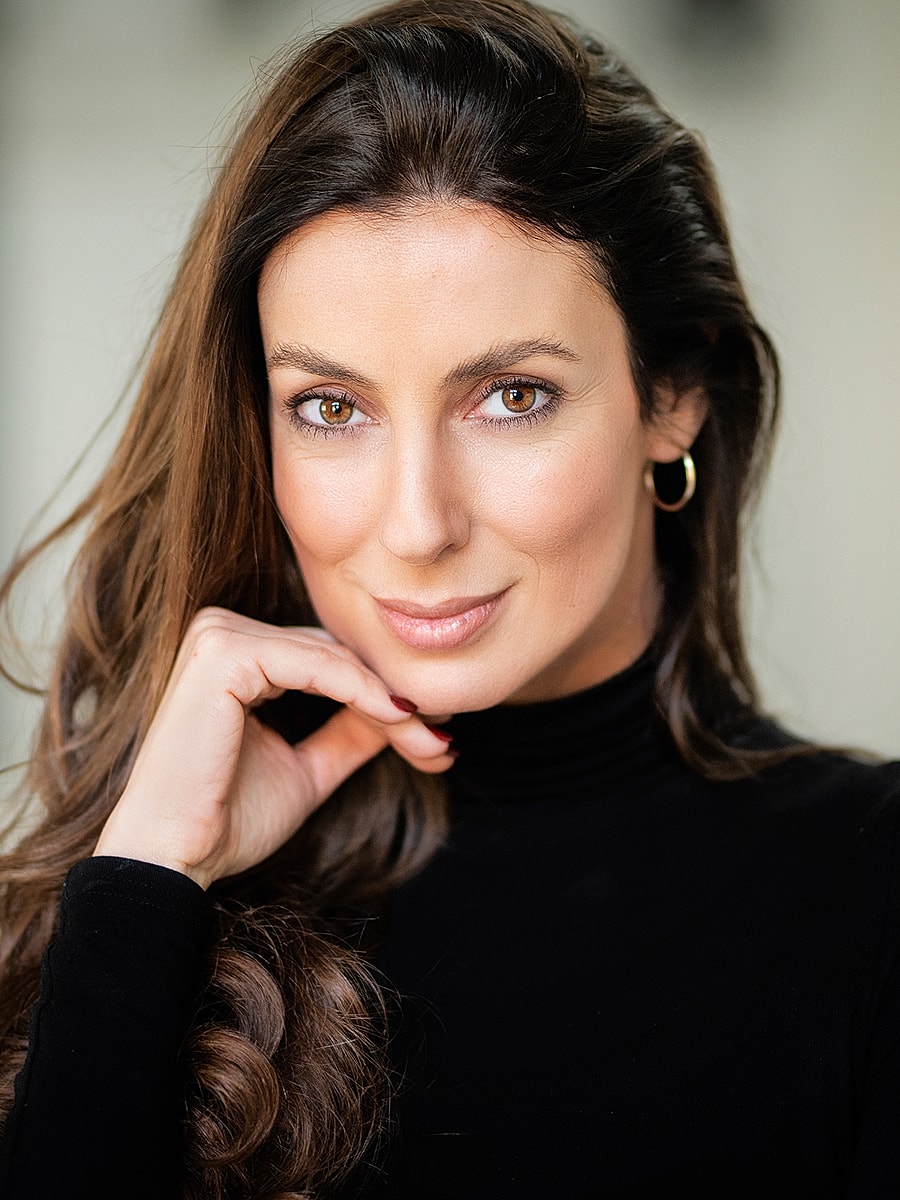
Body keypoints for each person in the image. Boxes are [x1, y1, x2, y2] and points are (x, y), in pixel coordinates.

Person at [0, 0, 898, 1196]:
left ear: (672, 391)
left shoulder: (873, 895)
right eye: (331, 408)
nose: (418, 525)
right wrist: (146, 884)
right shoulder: (152, 902)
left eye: (512, 396)